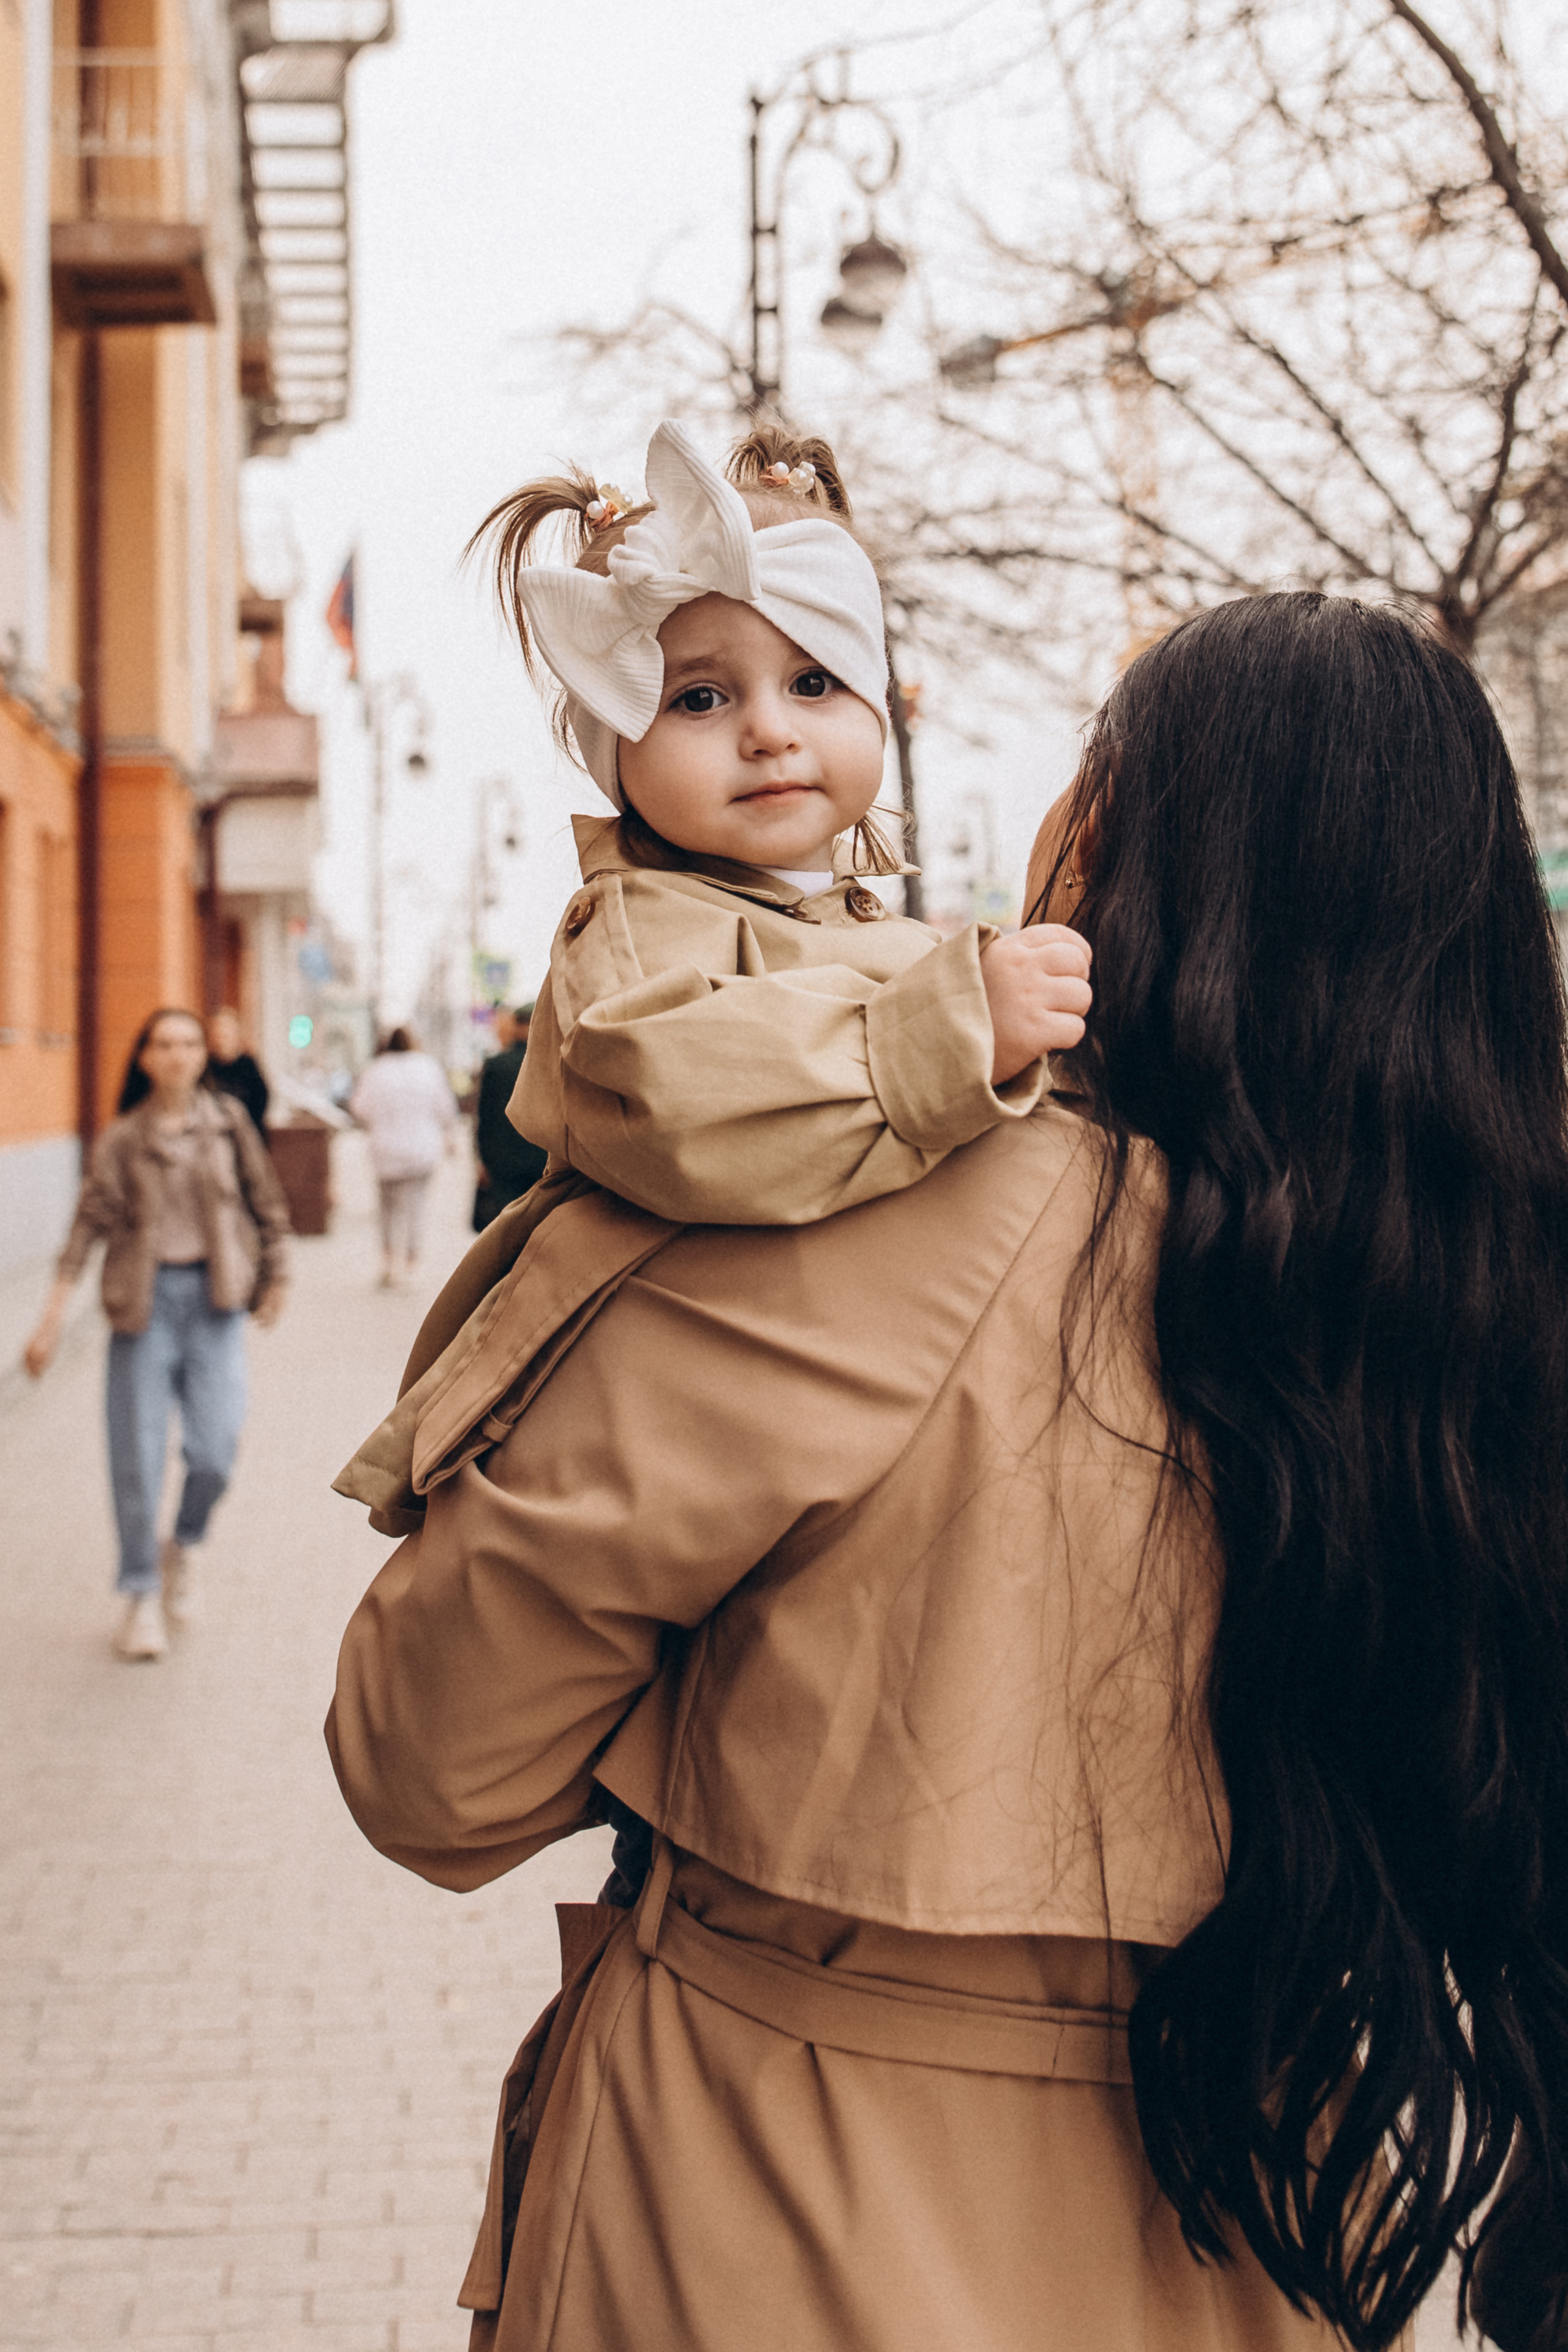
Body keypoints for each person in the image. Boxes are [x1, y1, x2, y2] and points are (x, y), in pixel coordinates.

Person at [329, 594, 1568, 2352]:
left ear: (1124, 846)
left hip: (757, 2206)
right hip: (1269, 2219)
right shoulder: (1485, 1308)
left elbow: (426, 1767)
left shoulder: (873, 1219)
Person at [25, 1008, 290, 1661]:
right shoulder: (121, 1138)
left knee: (215, 1451)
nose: (176, 1055)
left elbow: (267, 1204)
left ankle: (185, 1544)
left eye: (188, 1043)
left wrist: (277, 1278)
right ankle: (141, 1594)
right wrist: (51, 1319)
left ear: (205, 1055)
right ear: (144, 1058)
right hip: (141, 1311)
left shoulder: (229, 1125)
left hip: (216, 1302)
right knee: (137, 1459)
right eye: (163, 1044)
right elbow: (86, 1227)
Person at [349, 1025, 458, 1289]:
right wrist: (451, 1138)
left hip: (385, 1149)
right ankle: (411, 1262)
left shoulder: (376, 1069)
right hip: (422, 1149)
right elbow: (445, 1107)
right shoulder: (428, 1067)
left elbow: (359, 1107)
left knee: (387, 1208)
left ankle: (388, 1261)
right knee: (416, 1207)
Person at [472, 1006, 546, 1233]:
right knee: (539, 1226)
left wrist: (482, 1161)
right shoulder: (551, 1063)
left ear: (516, 1026)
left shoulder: (496, 1065)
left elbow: (484, 1119)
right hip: (542, 1159)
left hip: (502, 1163)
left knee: (507, 1228)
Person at [205, 1006, 270, 1138]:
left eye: (226, 1034)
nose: (221, 1040)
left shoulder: (249, 1066)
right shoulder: (204, 1067)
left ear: (237, 1035)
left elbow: (260, 1102)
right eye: (217, 1034)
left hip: (246, 1135)